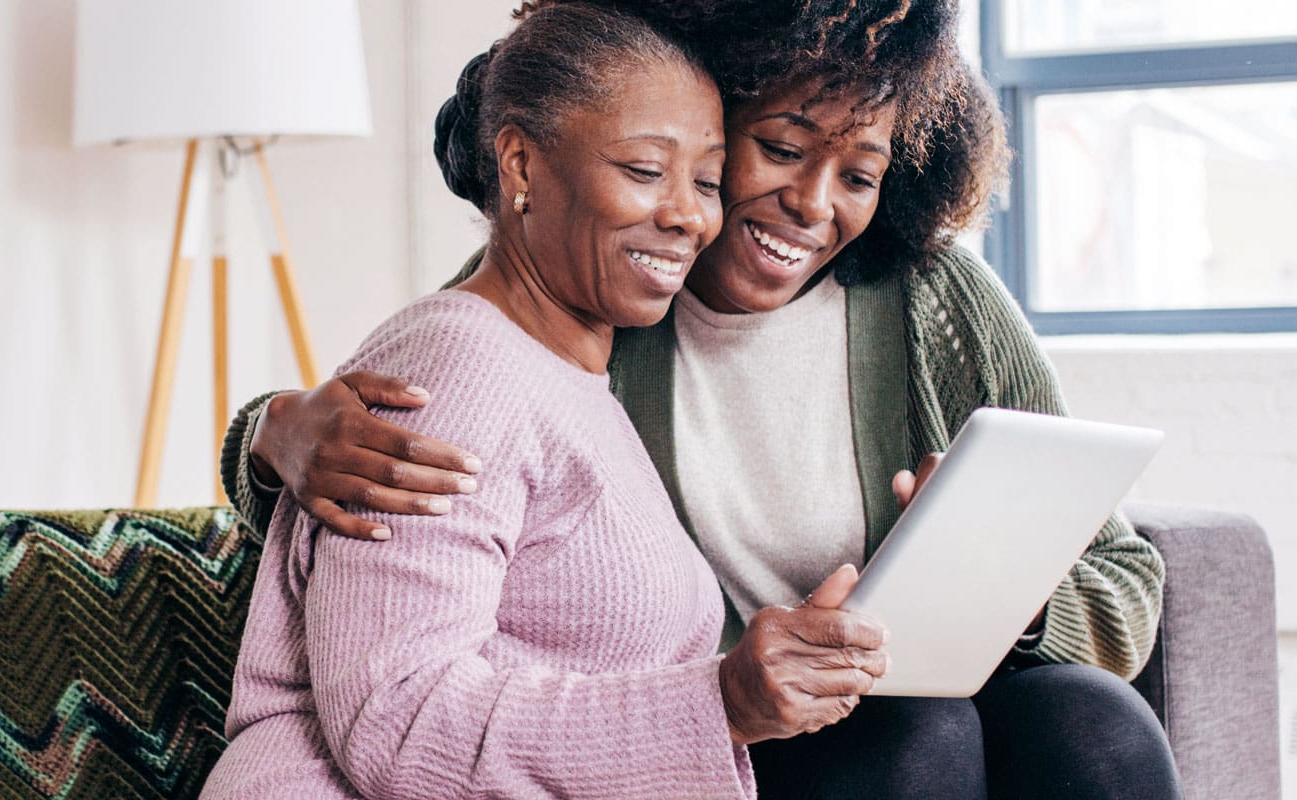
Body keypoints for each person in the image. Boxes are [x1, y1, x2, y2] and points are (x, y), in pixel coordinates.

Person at [218, 1, 1182, 798]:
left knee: (1094, 726)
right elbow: (441, 387)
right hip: (717, 723)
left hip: (873, 696)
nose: (812, 203)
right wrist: (270, 431)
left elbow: (1126, 580)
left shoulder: (937, 305)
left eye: (859, 175)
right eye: (778, 147)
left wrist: (990, 586)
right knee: (916, 742)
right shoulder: (603, 286)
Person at [204, 4, 891, 797]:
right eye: (644, 171)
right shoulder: (455, 370)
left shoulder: (569, 376)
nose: (688, 215)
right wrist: (722, 703)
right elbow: (401, 719)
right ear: (522, 167)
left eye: (705, 180)